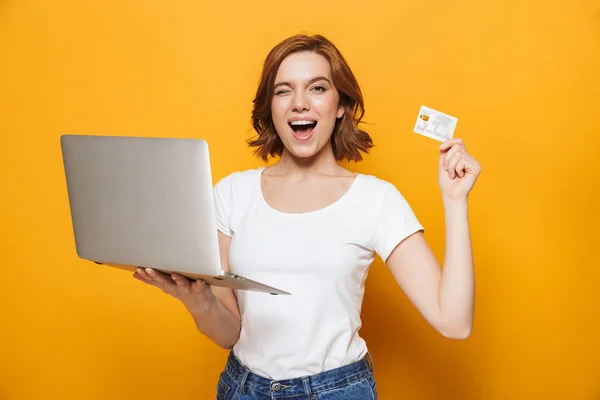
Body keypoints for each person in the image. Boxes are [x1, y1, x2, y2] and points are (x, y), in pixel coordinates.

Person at [133, 33, 481, 400]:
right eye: (284, 91)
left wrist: (455, 201)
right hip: (243, 388)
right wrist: (195, 298)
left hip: (337, 391)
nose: (300, 104)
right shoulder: (232, 194)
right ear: (270, 107)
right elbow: (229, 333)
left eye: (317, 88)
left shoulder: (376, 199)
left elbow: (454, 321)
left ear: (341, 104)